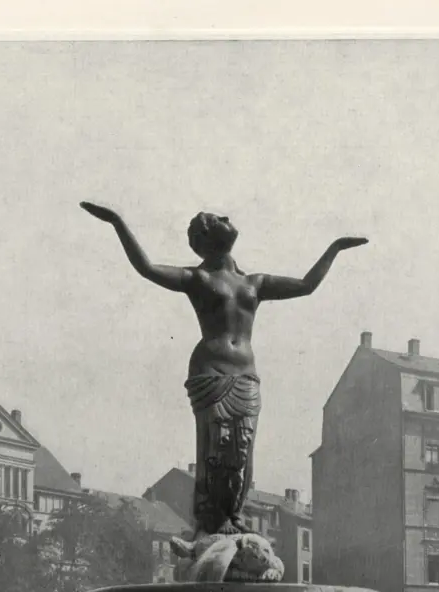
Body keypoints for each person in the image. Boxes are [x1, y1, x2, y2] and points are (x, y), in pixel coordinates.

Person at [80, 202, 368, 535]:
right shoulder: (197, 277)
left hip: (245, 376)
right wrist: (117, 222)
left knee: (242, 449)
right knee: (214, 446)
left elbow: (306, 285)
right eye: (215, 219)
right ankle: (208, 521)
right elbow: (146, 267)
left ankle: (234, 516)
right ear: (203, 238)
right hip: (211, 372)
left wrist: (335, 248)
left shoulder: (256, 282)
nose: (226, 218)